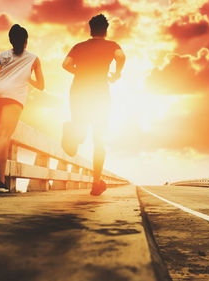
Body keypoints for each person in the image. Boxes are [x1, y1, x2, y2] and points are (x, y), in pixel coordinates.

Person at [0, 24, 44, 196]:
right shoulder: (34, 59)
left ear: (11, 41)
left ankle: (2, 183)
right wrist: (29, 79)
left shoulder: (3, 54)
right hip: (13, 96)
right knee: (4, 135)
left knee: (2, 136)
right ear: (26, 41)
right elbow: (41, 85)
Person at [62, 14, 126, 196]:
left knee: (80, 129)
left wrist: (79, 71)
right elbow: (121, 56)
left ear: (90, 29)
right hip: (100, 95)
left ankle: (72, 133)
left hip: (78, 92)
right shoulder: (112, 45)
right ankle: (96, 182)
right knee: (99, 138)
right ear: (106, 31)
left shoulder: (79, 46)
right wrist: (116, 73)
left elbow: (65, 64)